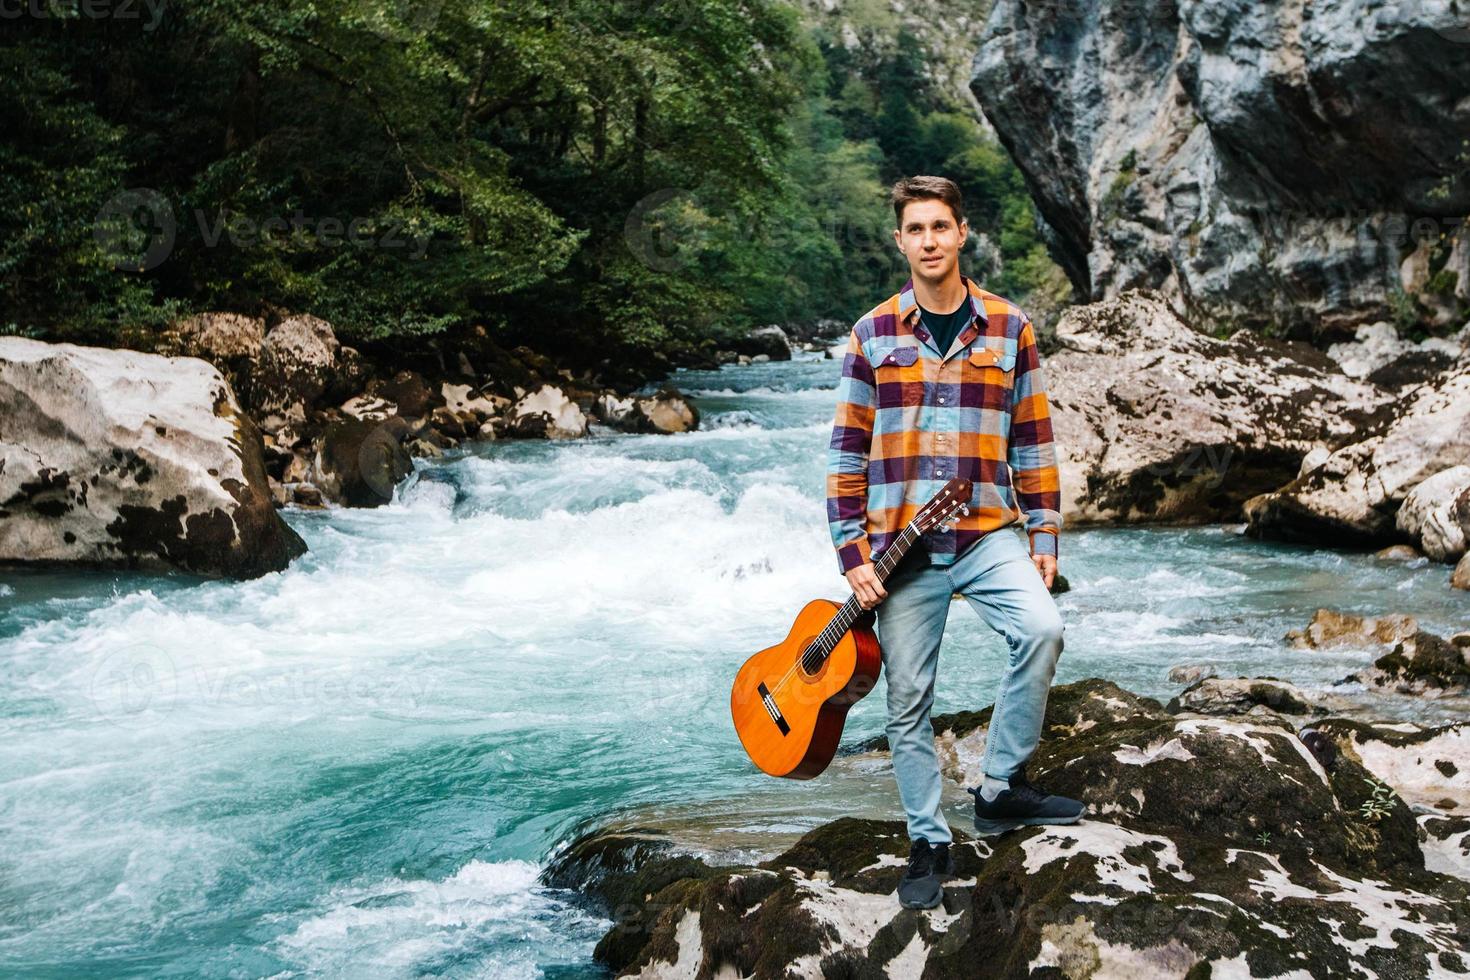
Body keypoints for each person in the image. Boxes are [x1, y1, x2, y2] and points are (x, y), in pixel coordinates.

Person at [825, 175, 1084, 911]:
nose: (930, 241)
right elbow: (847, 454)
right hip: (900, 547)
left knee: (1042, 629)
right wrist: (854, 557)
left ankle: (1001, 786)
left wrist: (1045, 531)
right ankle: (928, 838)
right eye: (917, 229)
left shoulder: (1009, 328)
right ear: (900, 240)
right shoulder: (872, 333)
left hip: (987, 531)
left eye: (941, 226)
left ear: (962, 233)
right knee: (908, 700)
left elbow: (1033, 436)